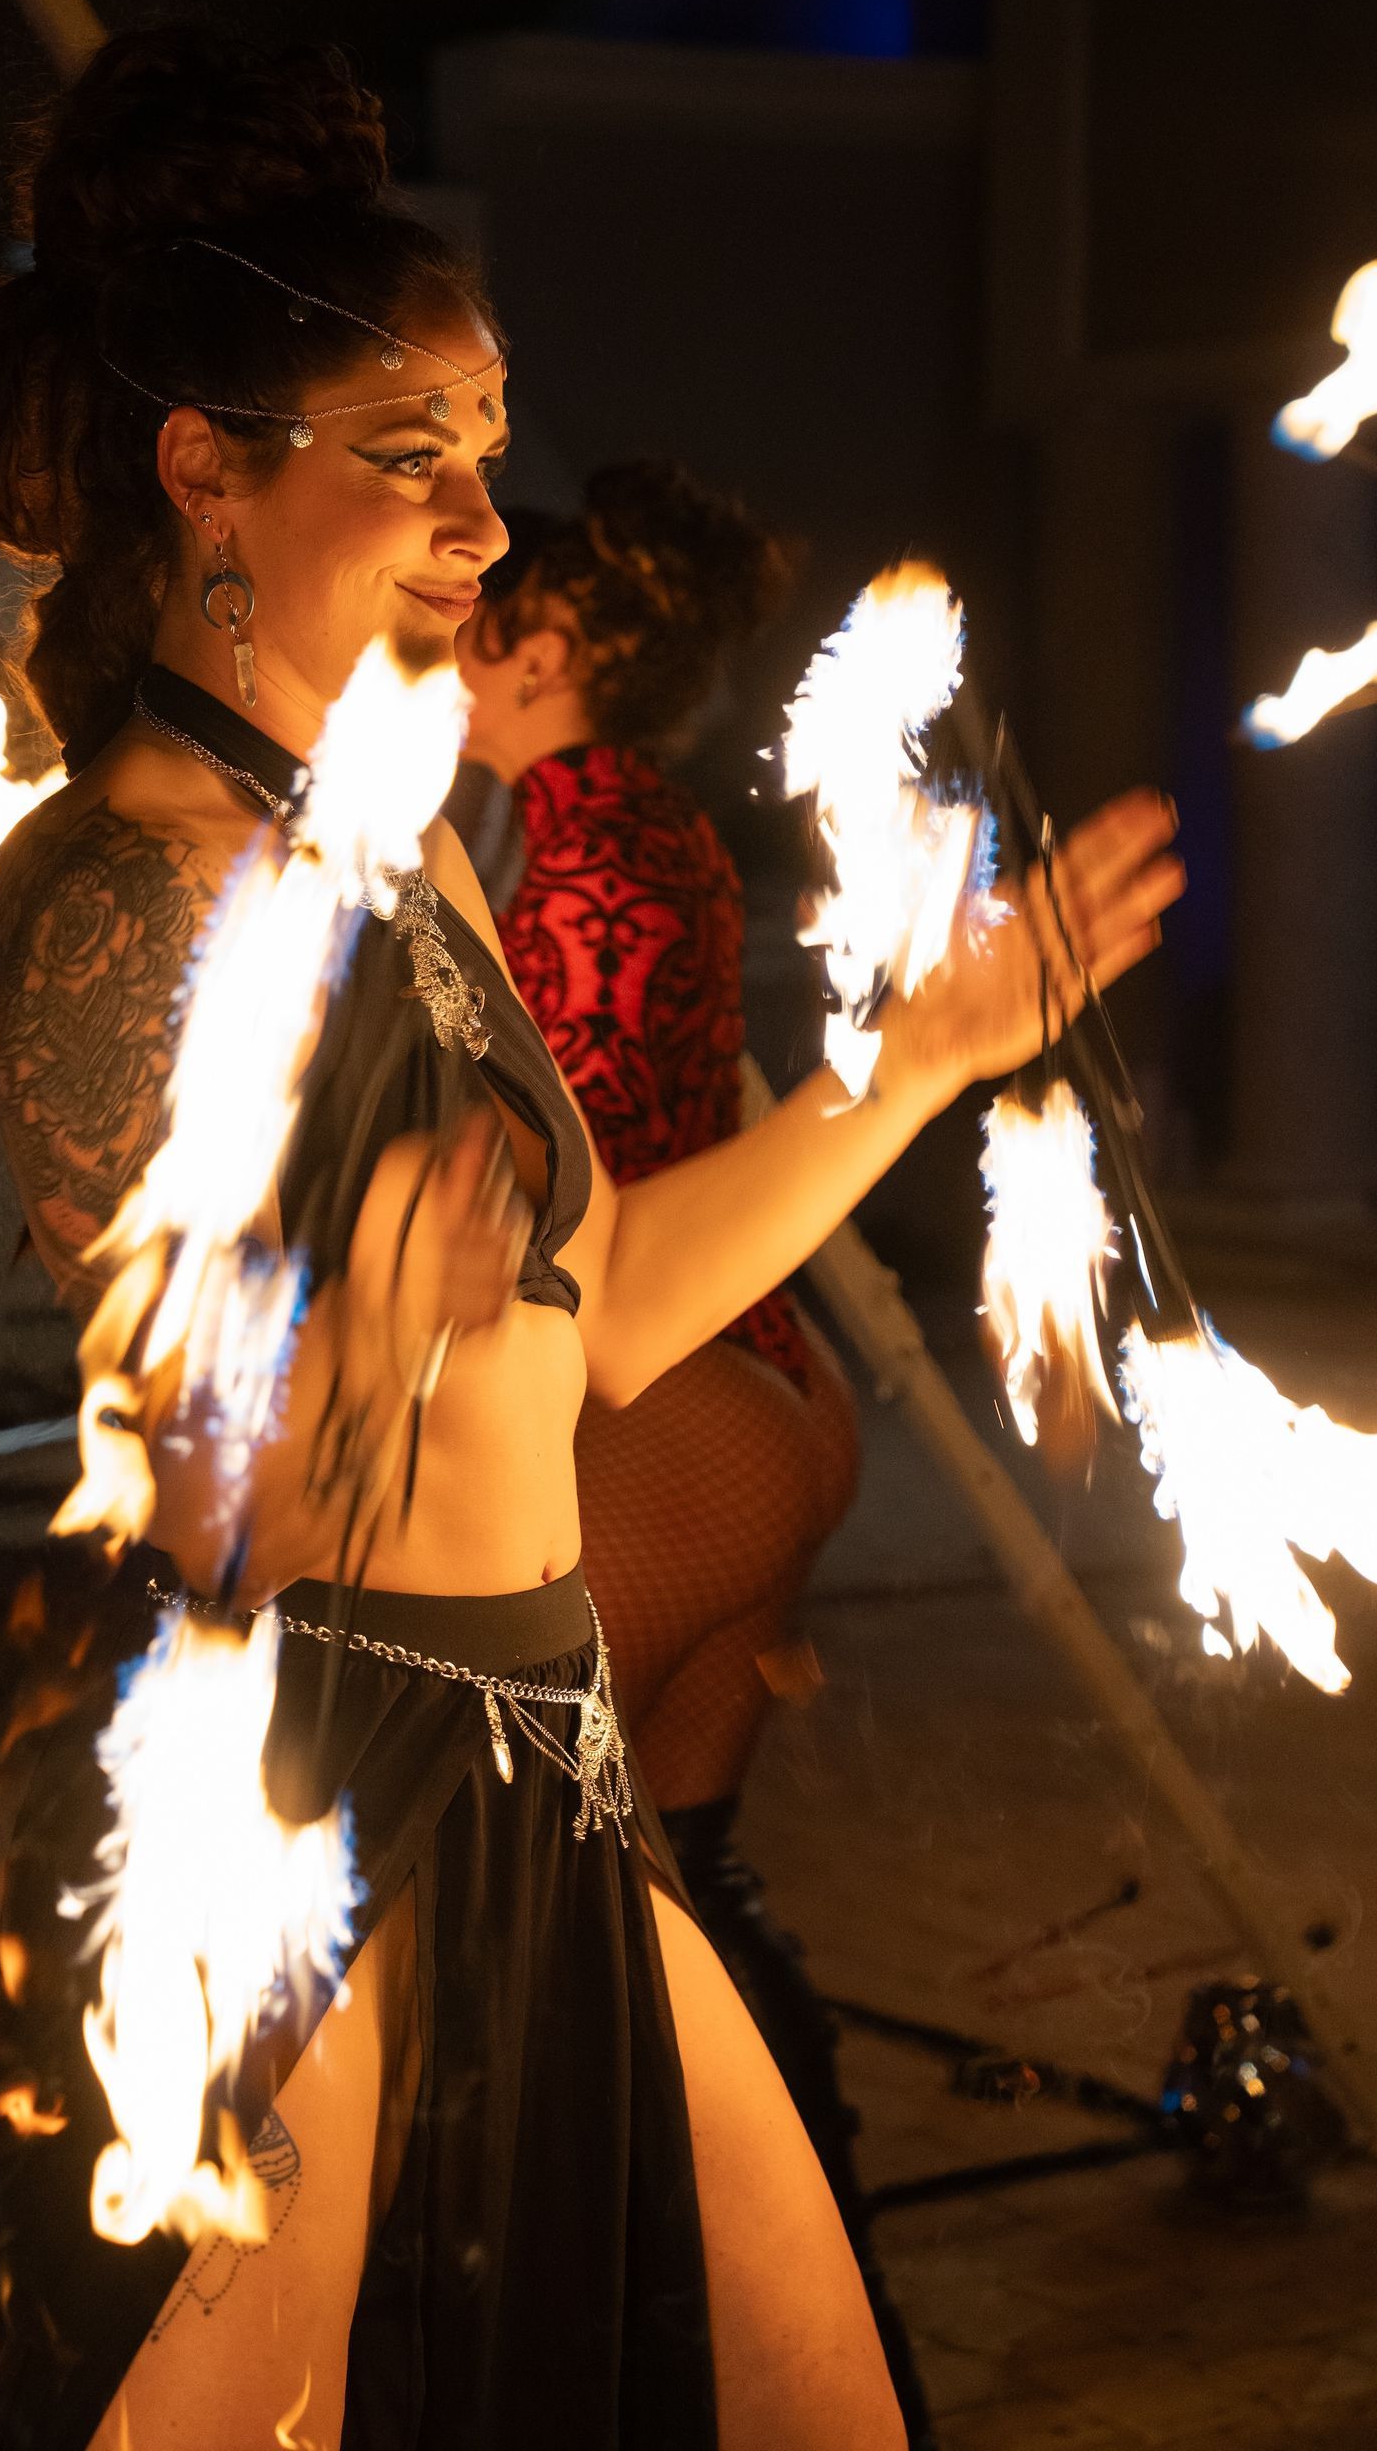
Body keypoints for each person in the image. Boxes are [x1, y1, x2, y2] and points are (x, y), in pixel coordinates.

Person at [0, 25, 1182, 2451]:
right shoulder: (116, 904)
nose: (491, 530)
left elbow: (614, 1327)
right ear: (205, 471)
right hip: (318, 1818)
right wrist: (359, 1344)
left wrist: (909, 1065)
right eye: (418, 462)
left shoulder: (401, 867)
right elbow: (206, 1510)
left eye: (488, 454)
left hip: (550, 1771)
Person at [453, 465, 929, 2441]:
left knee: (527, 1867)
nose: (451, 656)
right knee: (692, 1893)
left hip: (677, 1407)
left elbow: (576, 1196)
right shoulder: (648, 824)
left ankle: (662, 2355)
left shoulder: (554, 866)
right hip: (773, 1398)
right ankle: (827, 2356)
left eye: (481, 630)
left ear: (553, 655)